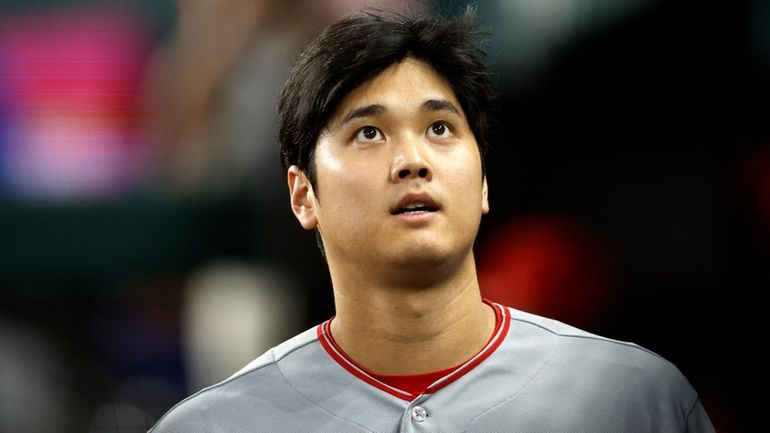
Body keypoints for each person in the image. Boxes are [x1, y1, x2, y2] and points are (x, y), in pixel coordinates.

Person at [149, 8, 715, 432]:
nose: (413, 160)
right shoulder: (213, 426)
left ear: (485, 180)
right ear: (303, 196)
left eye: (440, 129)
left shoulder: (639, 399)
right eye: (368, 133)